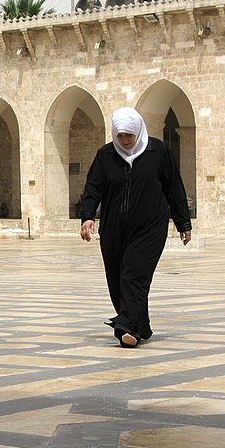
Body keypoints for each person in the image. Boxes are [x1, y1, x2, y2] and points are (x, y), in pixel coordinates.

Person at [80, 107, 192, 348]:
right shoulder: (106, 155)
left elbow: (174, 187)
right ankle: (140, 325)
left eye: (130, 135)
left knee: (134, 275)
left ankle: (126, 328)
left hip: (150, 227)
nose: (126, 141)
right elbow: (93, 188)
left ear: (139, 131)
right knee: (116, 278)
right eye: (120, 136)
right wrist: (87, 217)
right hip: (113, 227)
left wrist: (183, 222)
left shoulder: (157, 151)